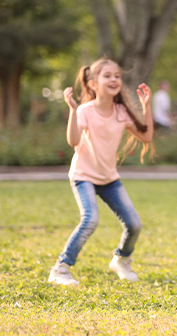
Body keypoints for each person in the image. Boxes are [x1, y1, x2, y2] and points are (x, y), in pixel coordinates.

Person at [48, 58, 154, 285]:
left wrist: (147, 107)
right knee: (90, 220)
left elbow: (146, 136)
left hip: (109, 179)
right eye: (108, 76)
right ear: (93, 83)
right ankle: (60, 269)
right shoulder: (85, 111)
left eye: (117, 75)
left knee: (134, 224)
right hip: (83, 176)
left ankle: (121, 261)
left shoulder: (121, 112)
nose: (114, 79)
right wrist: (73, 111)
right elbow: (73, 140)